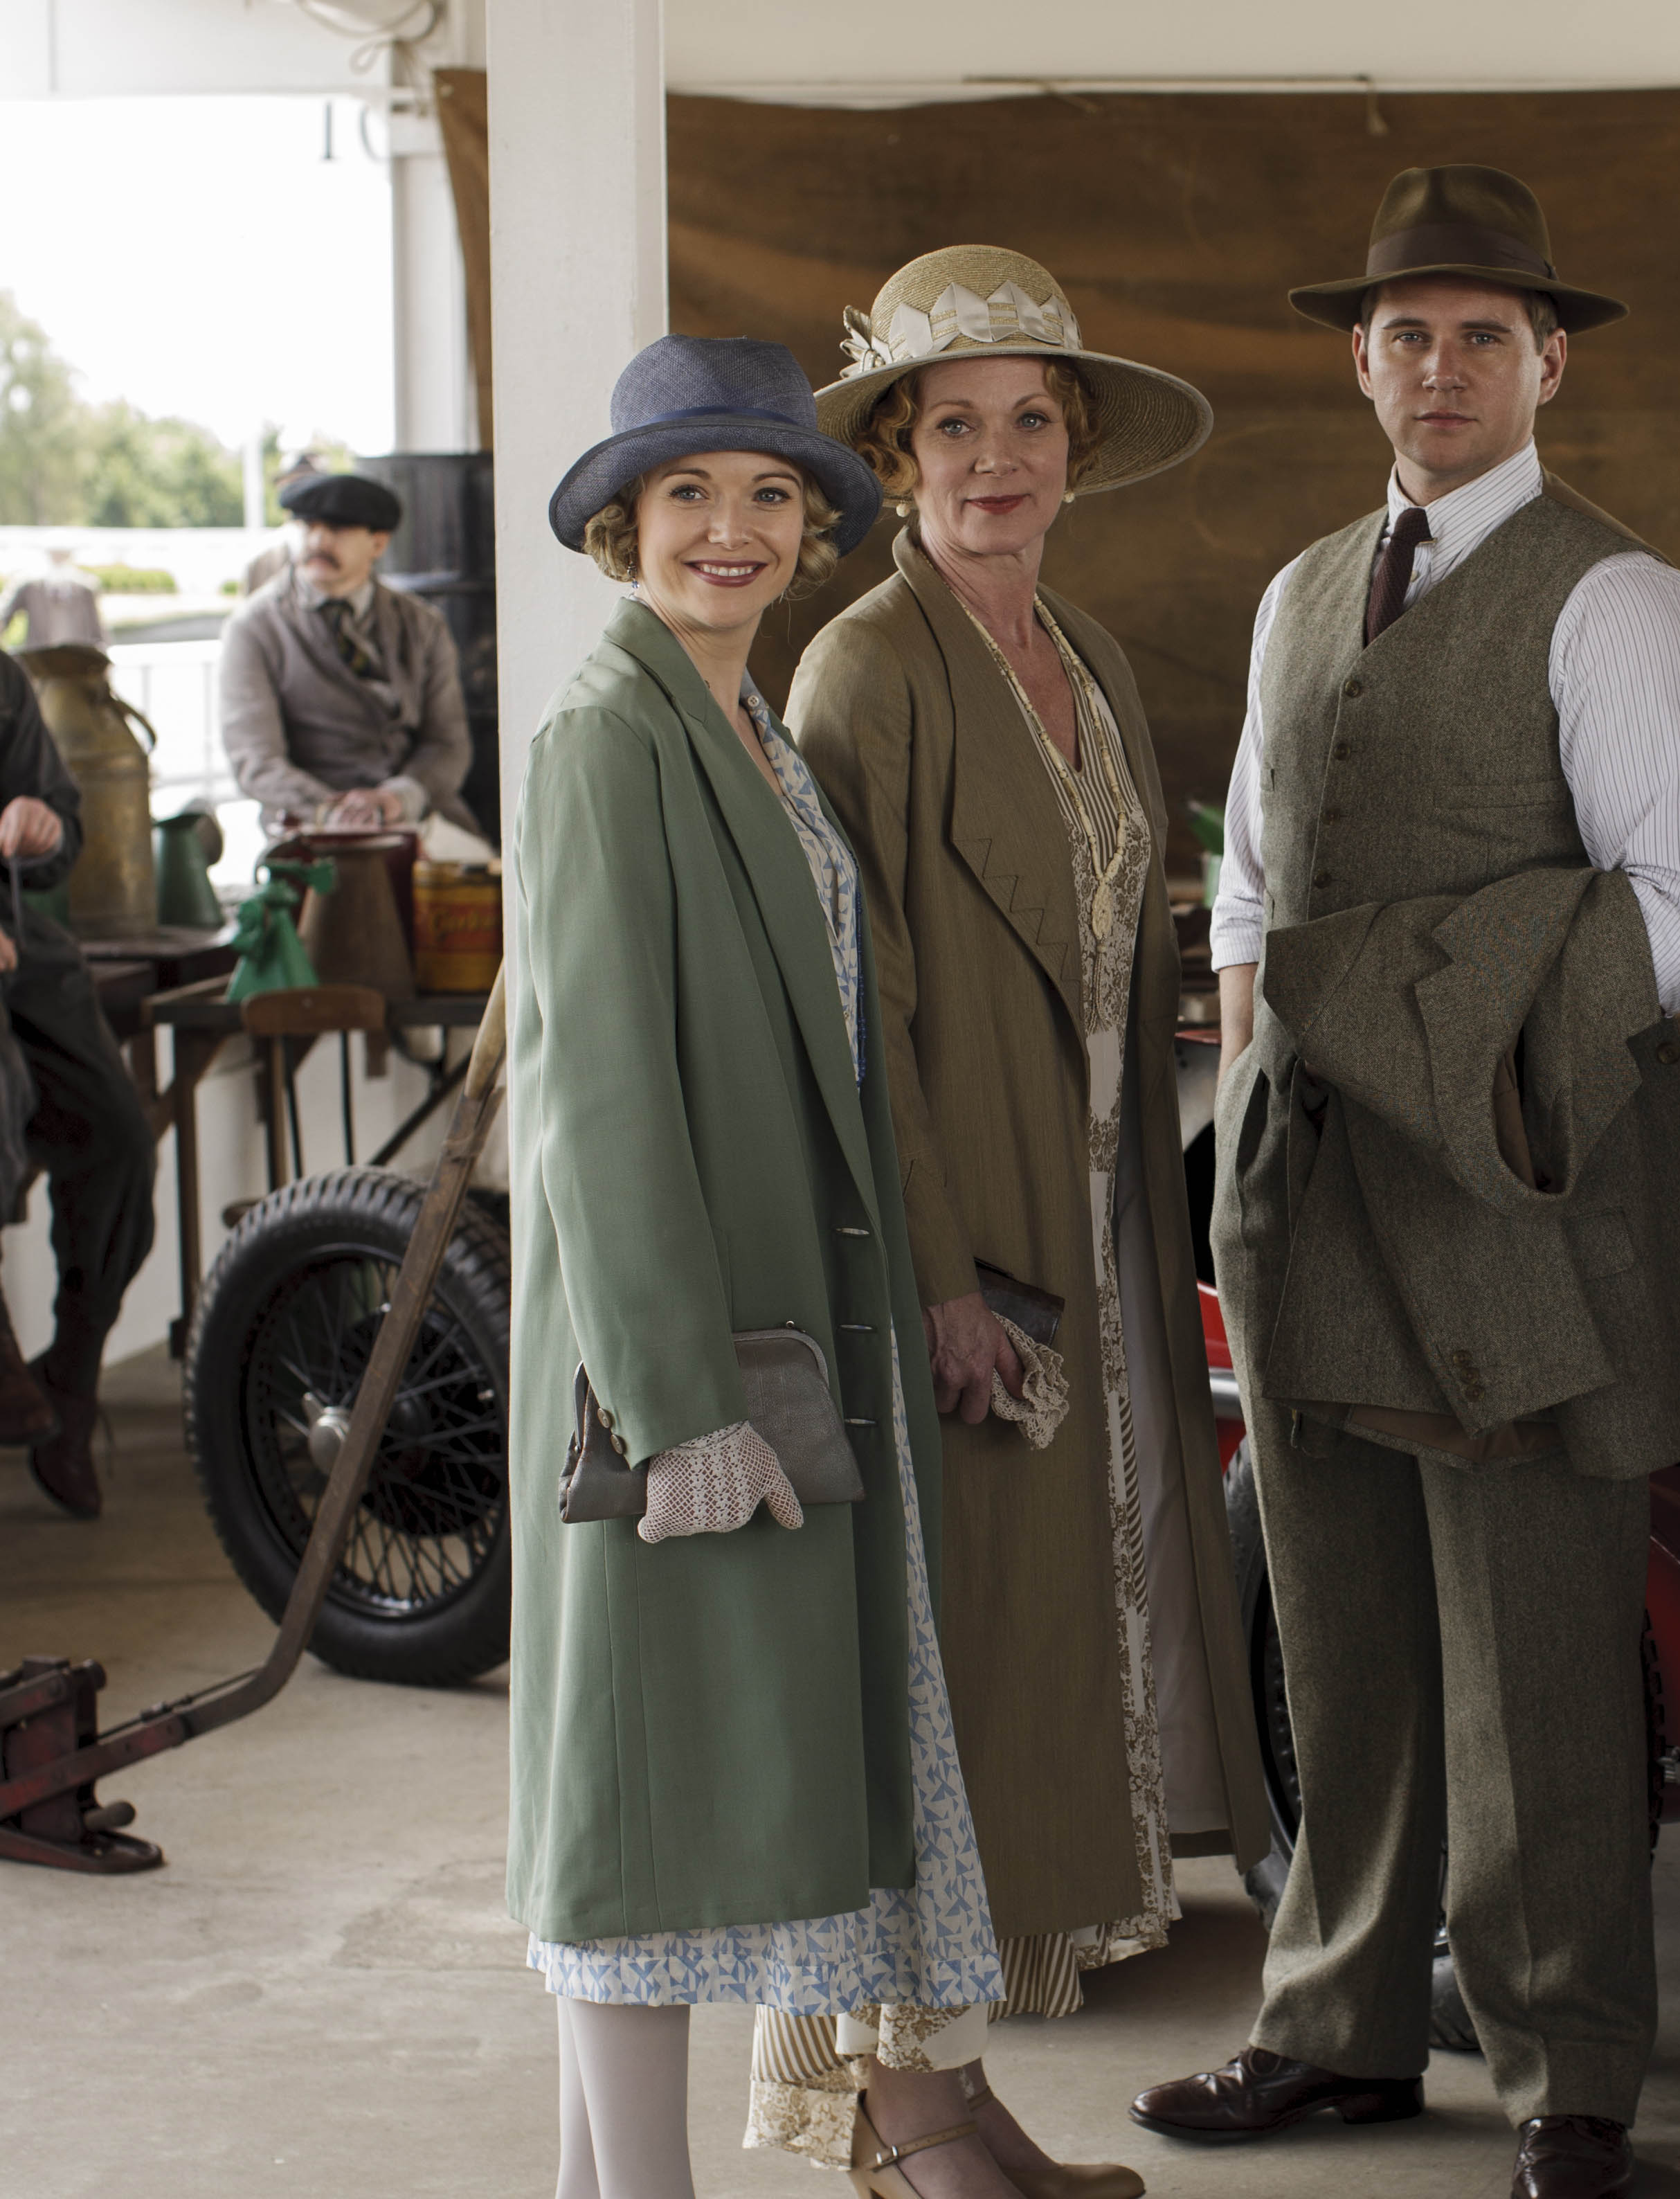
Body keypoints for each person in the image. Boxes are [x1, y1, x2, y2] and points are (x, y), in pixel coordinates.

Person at [1135, 165, 1680, 2199]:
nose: (1440, 366)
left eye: (1481, 334)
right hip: (1308, 1185)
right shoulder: (1301, 591)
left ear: (1546, 362)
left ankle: (1567, 2073)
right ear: (1360, 360)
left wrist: (1422, 1005)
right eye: (1405, 332)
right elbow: (1254, 872)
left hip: (1514, 1190)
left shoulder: (1620, 600)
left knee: (1539, 1646)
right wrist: (1262, 1066)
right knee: (1336, 1627)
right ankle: (1336, 2024)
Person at [771, 242, 1263, 2195]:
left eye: (1029, 420)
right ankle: (903, 2118)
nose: (996, 457)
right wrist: (935, 1276)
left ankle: (962, 2096)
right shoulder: (863, 670)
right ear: (898, 455)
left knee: (1045, 1662)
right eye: (953, 424)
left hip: (1096, 1221)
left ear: (1076, 448)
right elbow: (850, 1011)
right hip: (961, 1244)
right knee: (944, 1668)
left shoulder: (1097, 661)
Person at [505, 335, 1008, 2199]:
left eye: (770, 494)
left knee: (675, 1793)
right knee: (632, 1812)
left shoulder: (744, 729)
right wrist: (676, 1402)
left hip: (776, 1328)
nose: (732, 527)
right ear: (623, 525)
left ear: (809, 527)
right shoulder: (604, 737)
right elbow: (596, 1092)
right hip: (671, 1356)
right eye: (691, 493)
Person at [0, 648, 156, 1520]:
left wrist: (44, 826)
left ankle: (72, 1376)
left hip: (19, 939)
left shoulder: (3, 683)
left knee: (121, 1138)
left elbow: (61, 824)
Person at [219, 469, 477, 833]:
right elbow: (256, 760)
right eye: (308, 526)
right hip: (312, 827)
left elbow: (448, 743)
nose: (318, 540)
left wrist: (398, 797)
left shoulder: (423, 624)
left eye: (338, 529)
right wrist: (335, 812)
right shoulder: (254, 627)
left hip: (419, 819)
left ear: (378, 543)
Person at [240, 450, 334, 597]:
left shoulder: (341, 547)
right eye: (295, 484)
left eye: (309, 482)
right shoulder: (264, 553)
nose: (302, 493)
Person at [0, 544, 108, 654]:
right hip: (39, 658)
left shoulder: (86, 586)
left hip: (77, 657)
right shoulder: (28, 585)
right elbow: (4, 616)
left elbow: (97, 630)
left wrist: (101, 655)